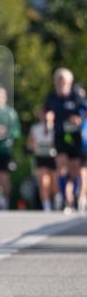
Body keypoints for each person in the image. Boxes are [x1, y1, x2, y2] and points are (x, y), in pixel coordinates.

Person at [44, 68, 87, 213]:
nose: (61, 82)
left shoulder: (76, 96)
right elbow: (47, 111)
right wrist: (48, 120)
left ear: (69, 81)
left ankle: (77, 196)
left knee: (75, 170)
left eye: (64, 80)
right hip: (60, 135)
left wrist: (79, 119)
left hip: (75, 137)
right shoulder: (52, 97)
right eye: (59, 79)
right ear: (55, 82)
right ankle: (67, 200)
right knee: (62, 169)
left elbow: (85, 110)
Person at [26, 108, 58, 211]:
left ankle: (57, 201)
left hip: (54, 158)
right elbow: (29, 144)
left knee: (54, 184)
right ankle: (46, 206)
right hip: (41, 157)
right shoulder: (35, 128)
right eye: (42, 114)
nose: (44, 116)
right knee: (44, 182)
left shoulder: (57, 127)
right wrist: (33, 145)